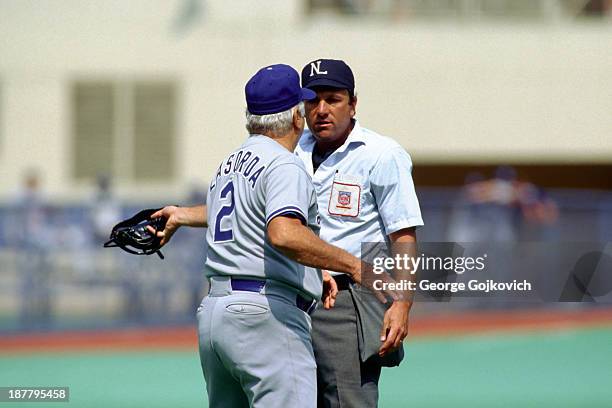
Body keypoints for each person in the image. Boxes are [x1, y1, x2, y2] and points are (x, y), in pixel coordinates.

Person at [149, 64, 371, 408]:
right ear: (296, 117)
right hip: (263, 316)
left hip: (214, 316)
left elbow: (250, 217)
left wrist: (316, 270)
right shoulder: (284, 163)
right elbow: (284, 233)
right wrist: (352, 266)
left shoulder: (229, 162)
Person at [296, 58, 424, 407]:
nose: (321, 109)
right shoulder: (292, 150)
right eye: (312, 100)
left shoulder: (382, 154)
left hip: (347, 301)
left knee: (347, 398)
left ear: (353, 103)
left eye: (333, 99)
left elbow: (404, 235)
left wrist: (403, 303)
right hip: (294, 294)